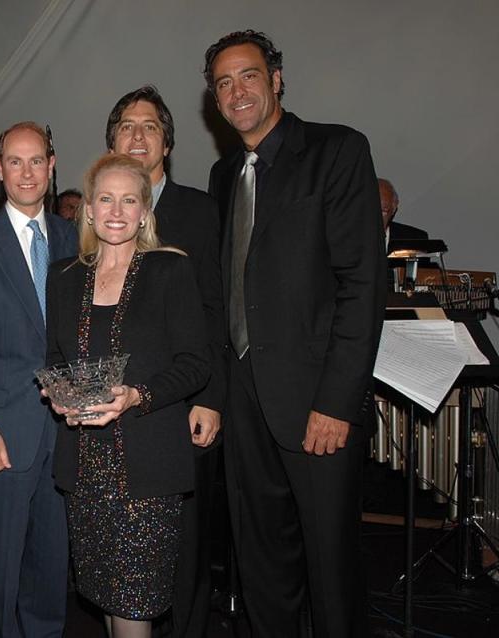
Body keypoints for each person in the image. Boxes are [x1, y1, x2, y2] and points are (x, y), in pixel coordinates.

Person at [203, 30, 385, 637]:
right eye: (223, 83)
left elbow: (362, 287)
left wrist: (336, 402)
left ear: (276, 78)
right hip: (244, 403)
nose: (237, 91)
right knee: (261, 566)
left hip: (315, 406)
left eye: (248, 75)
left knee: (331, 573)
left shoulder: (337, 151)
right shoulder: (224, 174)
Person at [105, 85, 223, 638]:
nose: (137, 135)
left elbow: (218, 310)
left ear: (167, 143)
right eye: (127, 126)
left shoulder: (200, 211)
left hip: (183, 405)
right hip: (113, 419)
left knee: (188, 544)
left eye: (149, 126)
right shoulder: (98, 215)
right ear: (111, 142)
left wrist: (209, 399)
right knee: (121, 552)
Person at [0, 121, 78, 637]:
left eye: (37, 161)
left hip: (69, 430)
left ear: (51, 167)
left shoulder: (77, 237)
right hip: (3, 431)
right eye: (15, 162)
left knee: (52, 565)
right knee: (1, 567)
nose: (27, 172)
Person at [379, 178, 428, 250]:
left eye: (384, 211)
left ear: (394, 208)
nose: (378, 217)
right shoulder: (356, 236)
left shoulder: (414, 239)